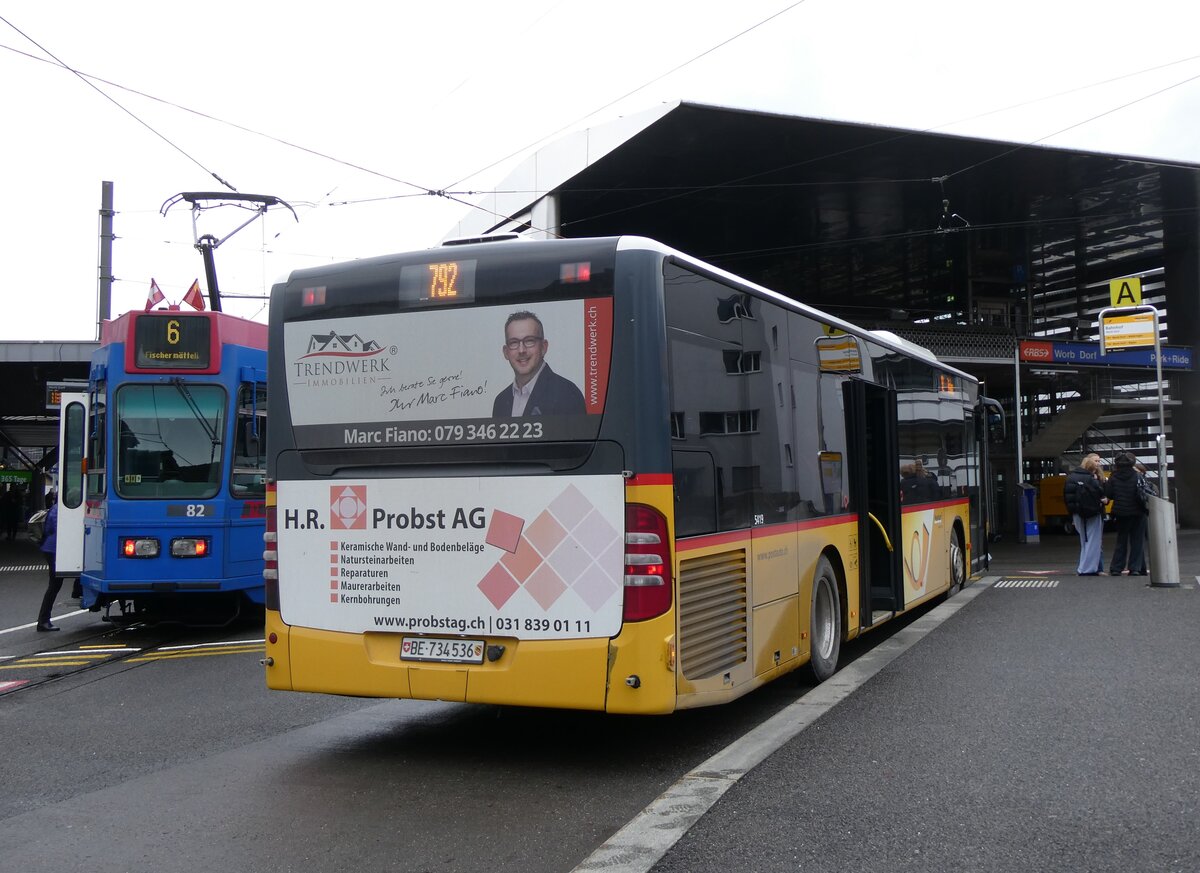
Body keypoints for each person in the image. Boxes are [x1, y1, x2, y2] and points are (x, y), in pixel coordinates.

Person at [491, 310, 585, 417]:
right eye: (514, 342)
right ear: (506, 352)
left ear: (543, 347)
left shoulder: (567, 394)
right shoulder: (501, 402)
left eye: (529, 341)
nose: (521, 350)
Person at [1104, 453, 1147, 576]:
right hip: (1137, 511)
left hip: (1120, 512)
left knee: (1121, 540)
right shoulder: (1137, 476)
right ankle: (1135, 568)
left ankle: (1116, 568)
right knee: (1137, 540)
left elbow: (1109, 494)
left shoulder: (1113, 477)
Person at [1063, 453, 1105, 575]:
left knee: (1084, 541)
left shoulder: (1070, 478)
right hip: (1092, 512)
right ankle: (1088, 569)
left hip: (1077, 513)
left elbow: (1067, 497)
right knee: (1093, 541)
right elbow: (1100, 494)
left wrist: (1072, 512)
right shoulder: (1091, 479)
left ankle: (1082, 567)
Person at [35, 491, 63, 631]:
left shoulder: (54, 508)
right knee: (54, 585)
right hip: (54, 549)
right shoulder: (60, 510)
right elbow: (59, 529)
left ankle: (44, 620)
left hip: (50, 548)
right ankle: (43, 620)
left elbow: (50, 528)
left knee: (55, 584)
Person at [1133, 462, 1157, 575]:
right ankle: (1141, 566)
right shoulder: (1147, 484)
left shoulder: (1146, 484)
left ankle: (1141, 566)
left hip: (1144, 513)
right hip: (1143, 513)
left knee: (1142, 540)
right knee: (1140, 541)